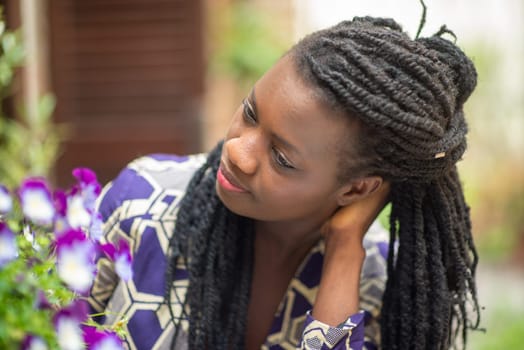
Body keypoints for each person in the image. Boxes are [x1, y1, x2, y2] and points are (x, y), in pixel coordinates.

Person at [88, 16, 480, 350]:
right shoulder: (141, 205)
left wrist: (344, 252)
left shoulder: (384, 289)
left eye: (281, 157)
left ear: (357, 189)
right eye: (250, 111)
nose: (237, 150)